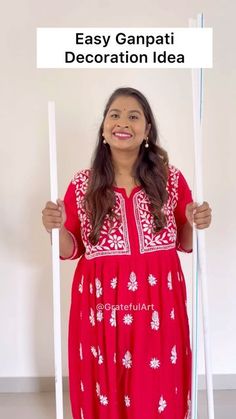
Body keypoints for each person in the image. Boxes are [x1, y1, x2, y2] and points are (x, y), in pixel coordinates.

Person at [42, 87, 212, 419]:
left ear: (147, 130)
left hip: (159, 304)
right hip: (101, 305)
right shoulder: (83, 185)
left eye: (134, 116)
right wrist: (57, 227)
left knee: (155, 385)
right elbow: (69, 249)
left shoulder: (171, 180)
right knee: (106, 385)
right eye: (114, 115)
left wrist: (195, 220)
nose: (123, 123)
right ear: (104, 129)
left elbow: (186, 242)